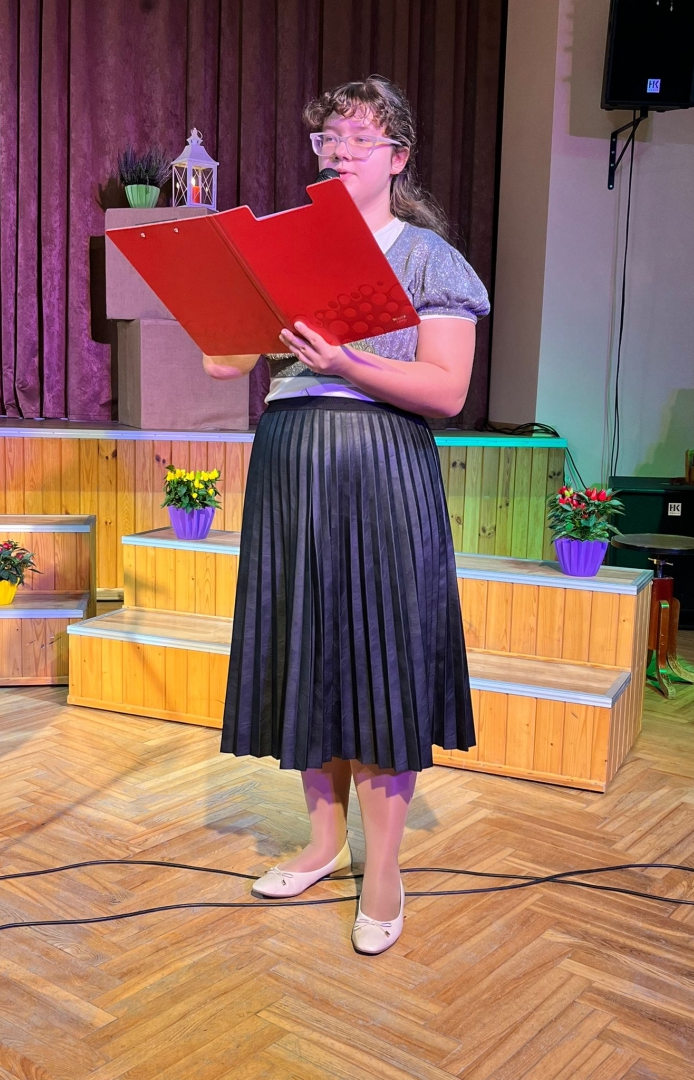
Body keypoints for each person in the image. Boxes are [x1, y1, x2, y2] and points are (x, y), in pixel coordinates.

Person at [204, 75, 490, 955]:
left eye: (359, 138)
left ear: (397, 158)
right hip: (291, 458)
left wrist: (348, 362)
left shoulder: (427, 257)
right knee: (307, 653)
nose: (338, 152)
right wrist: (229, 299)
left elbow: (447, 390)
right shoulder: (290, 248)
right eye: (328, 138)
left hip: (378, 462)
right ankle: (323, 844)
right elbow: (223, 363)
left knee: (380, 661)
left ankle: (386, 872)